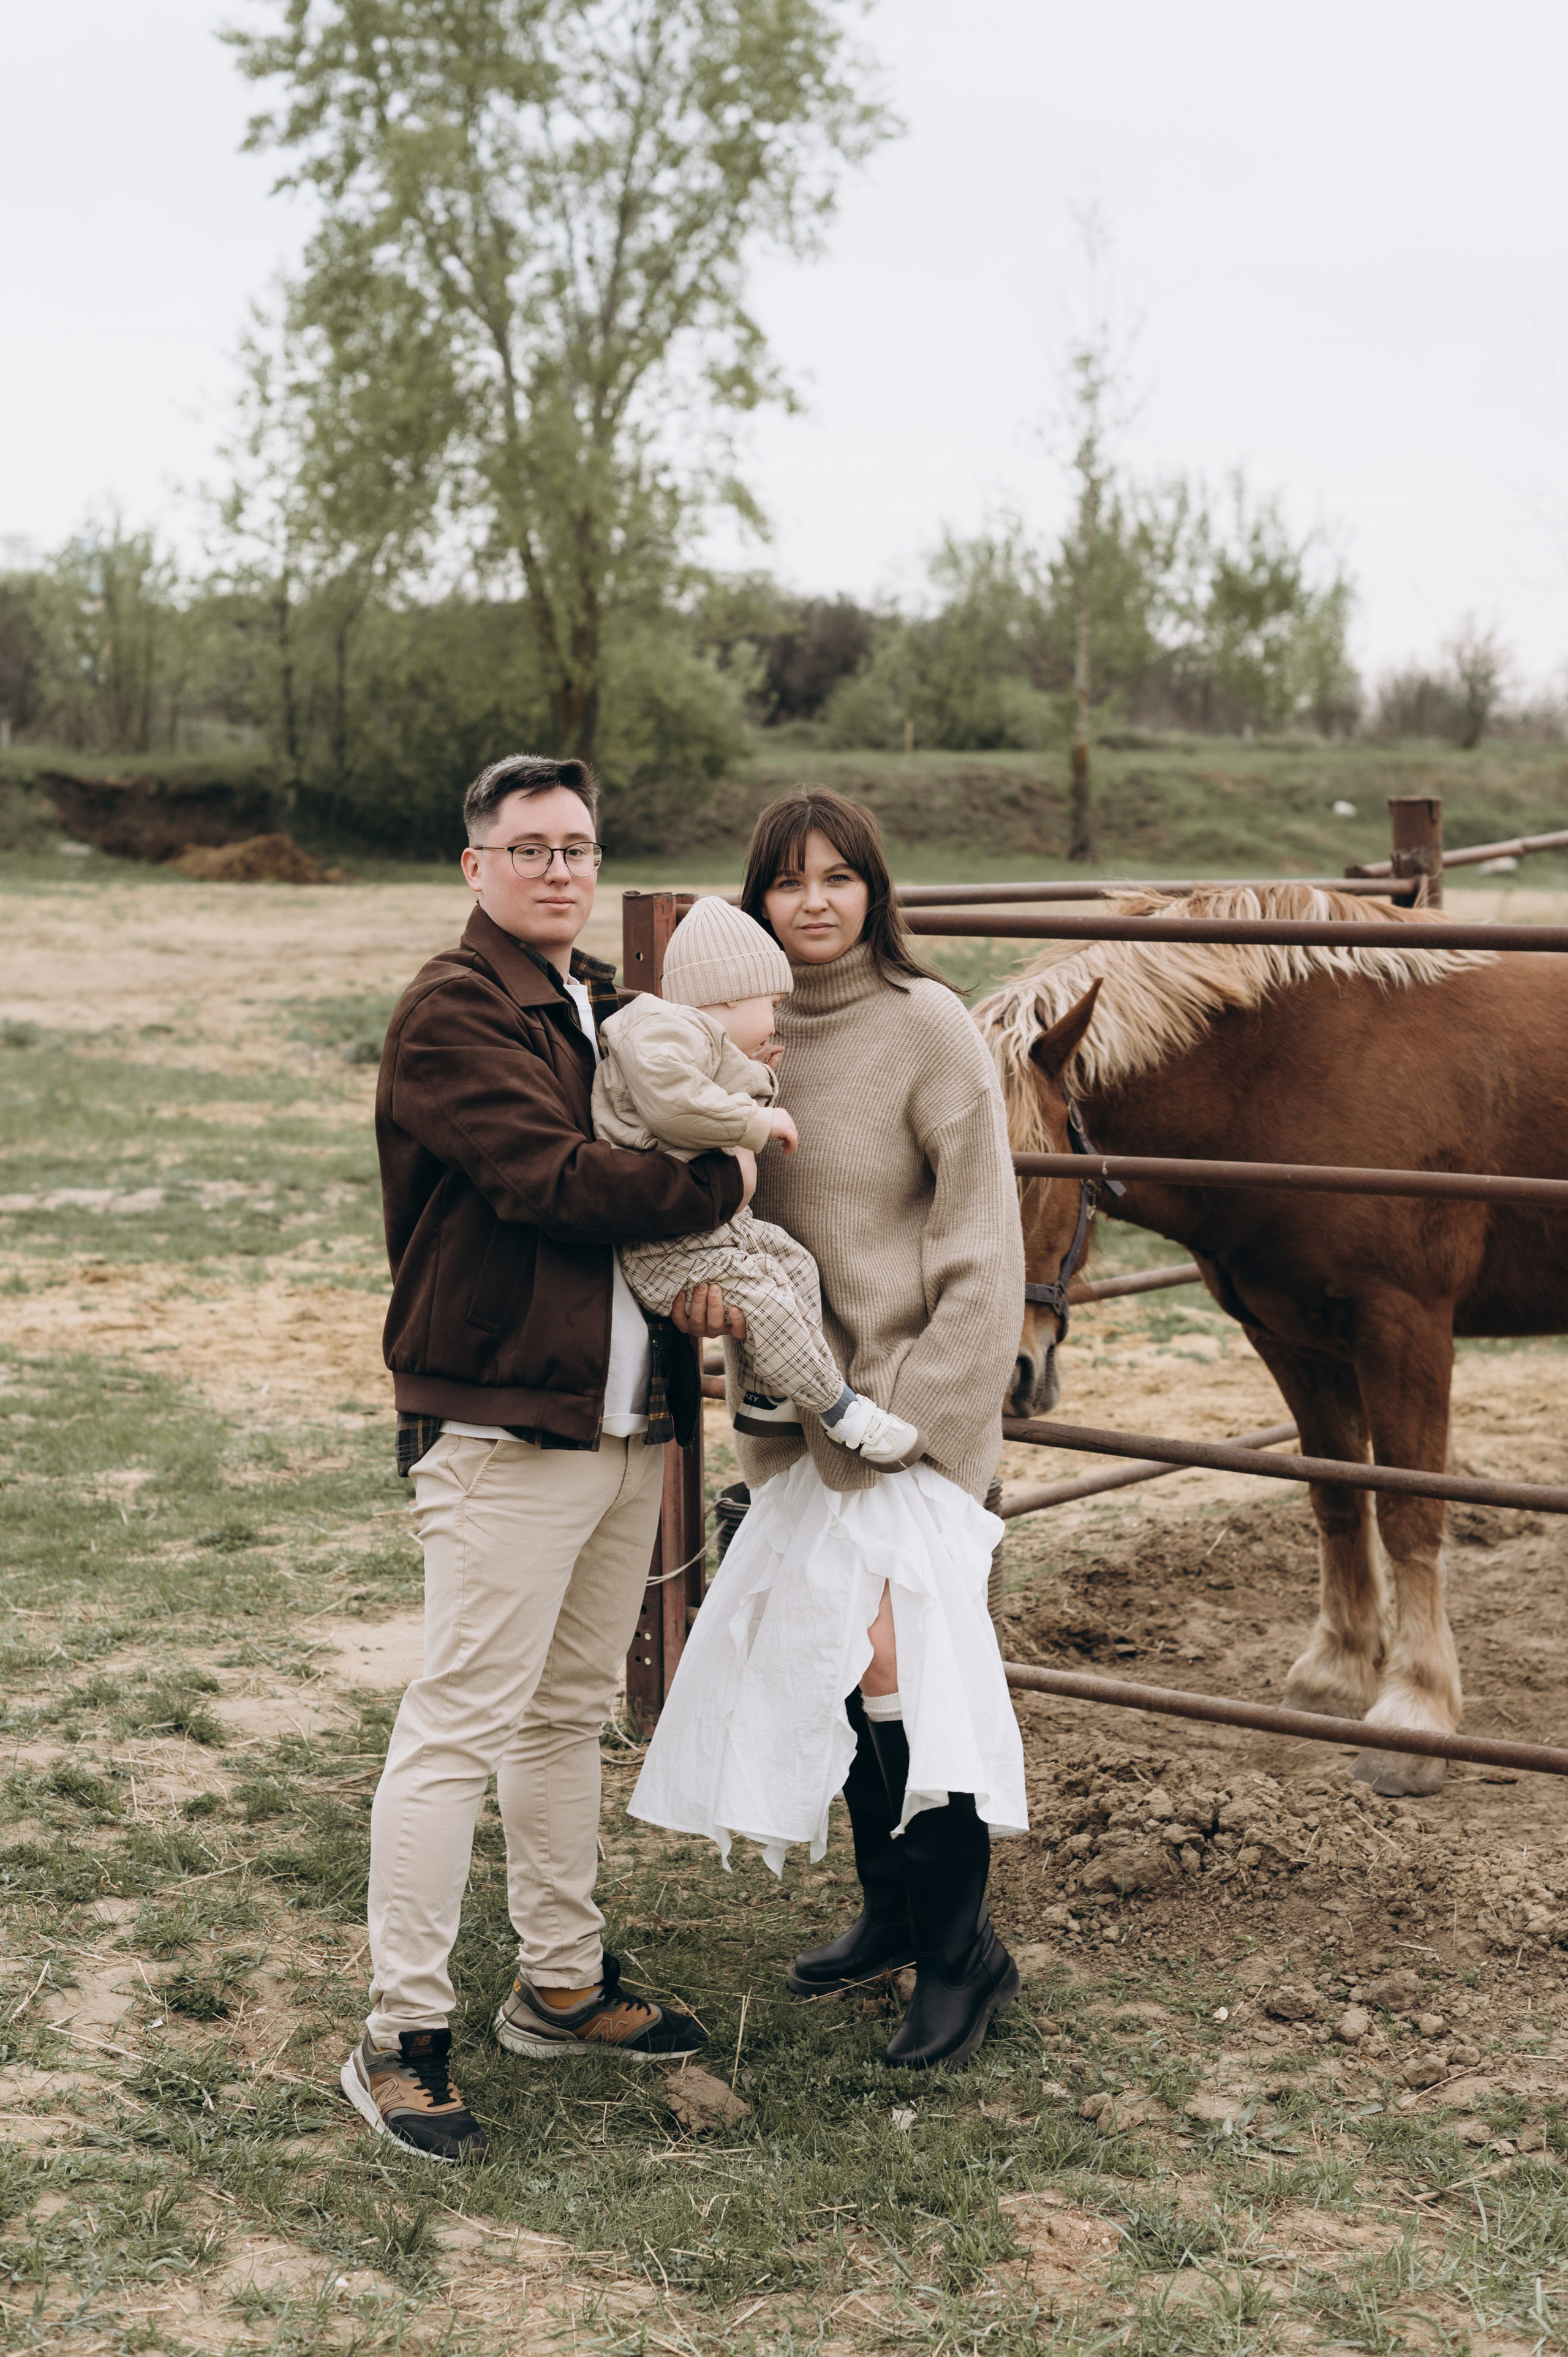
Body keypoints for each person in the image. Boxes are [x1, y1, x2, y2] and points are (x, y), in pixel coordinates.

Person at [343, 753, 752, 2166]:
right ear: (476, 867)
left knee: (565, 1712)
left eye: (577, 846)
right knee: (459, 1721)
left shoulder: (605, 1006)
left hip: (623, 1417)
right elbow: (552, 1182)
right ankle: (399, 2033)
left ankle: (559, 1982)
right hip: (506, 1416)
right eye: (528, 848)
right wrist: (721, 1177)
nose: (559, 868)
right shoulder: (453, 1014)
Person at [630, 788, 1028, 2071]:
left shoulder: (928, 1029)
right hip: (795, 1413)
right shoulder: (727, 1039)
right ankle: (892, 1914)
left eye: (836, 876)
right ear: (755, 903)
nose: (812, 900)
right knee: (834, 1668)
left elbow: (981, 1243)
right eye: (786, 880)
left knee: (900, 1671)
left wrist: (910, 1407)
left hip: (910, 1410)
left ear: (873, 889)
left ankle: (964, 1953)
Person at [594, 892, 919, 1466]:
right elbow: (676, 1106)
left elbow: (707, 1095)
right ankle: (840, 1410)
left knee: (794, 1262)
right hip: (665, 1248)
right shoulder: (660, 1031)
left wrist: (757, 1078)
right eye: (770, 1000)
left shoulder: (695, 1041)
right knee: (766, 1300)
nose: (775, 1015)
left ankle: (770, 1396)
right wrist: (757, 1118)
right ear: (727, 996)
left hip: (712, 1231)